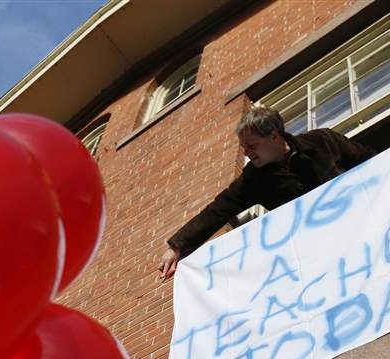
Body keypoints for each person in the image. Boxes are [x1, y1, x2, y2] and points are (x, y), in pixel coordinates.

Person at [158, 106, 374, 279]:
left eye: (252, 146)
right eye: (244, 147)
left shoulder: (323, 140)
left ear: (275, 136)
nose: (247, 153)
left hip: (362, 226)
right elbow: (217, 210)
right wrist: (176, 247)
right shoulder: (253, 180)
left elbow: (369, 160)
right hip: (319, 253)